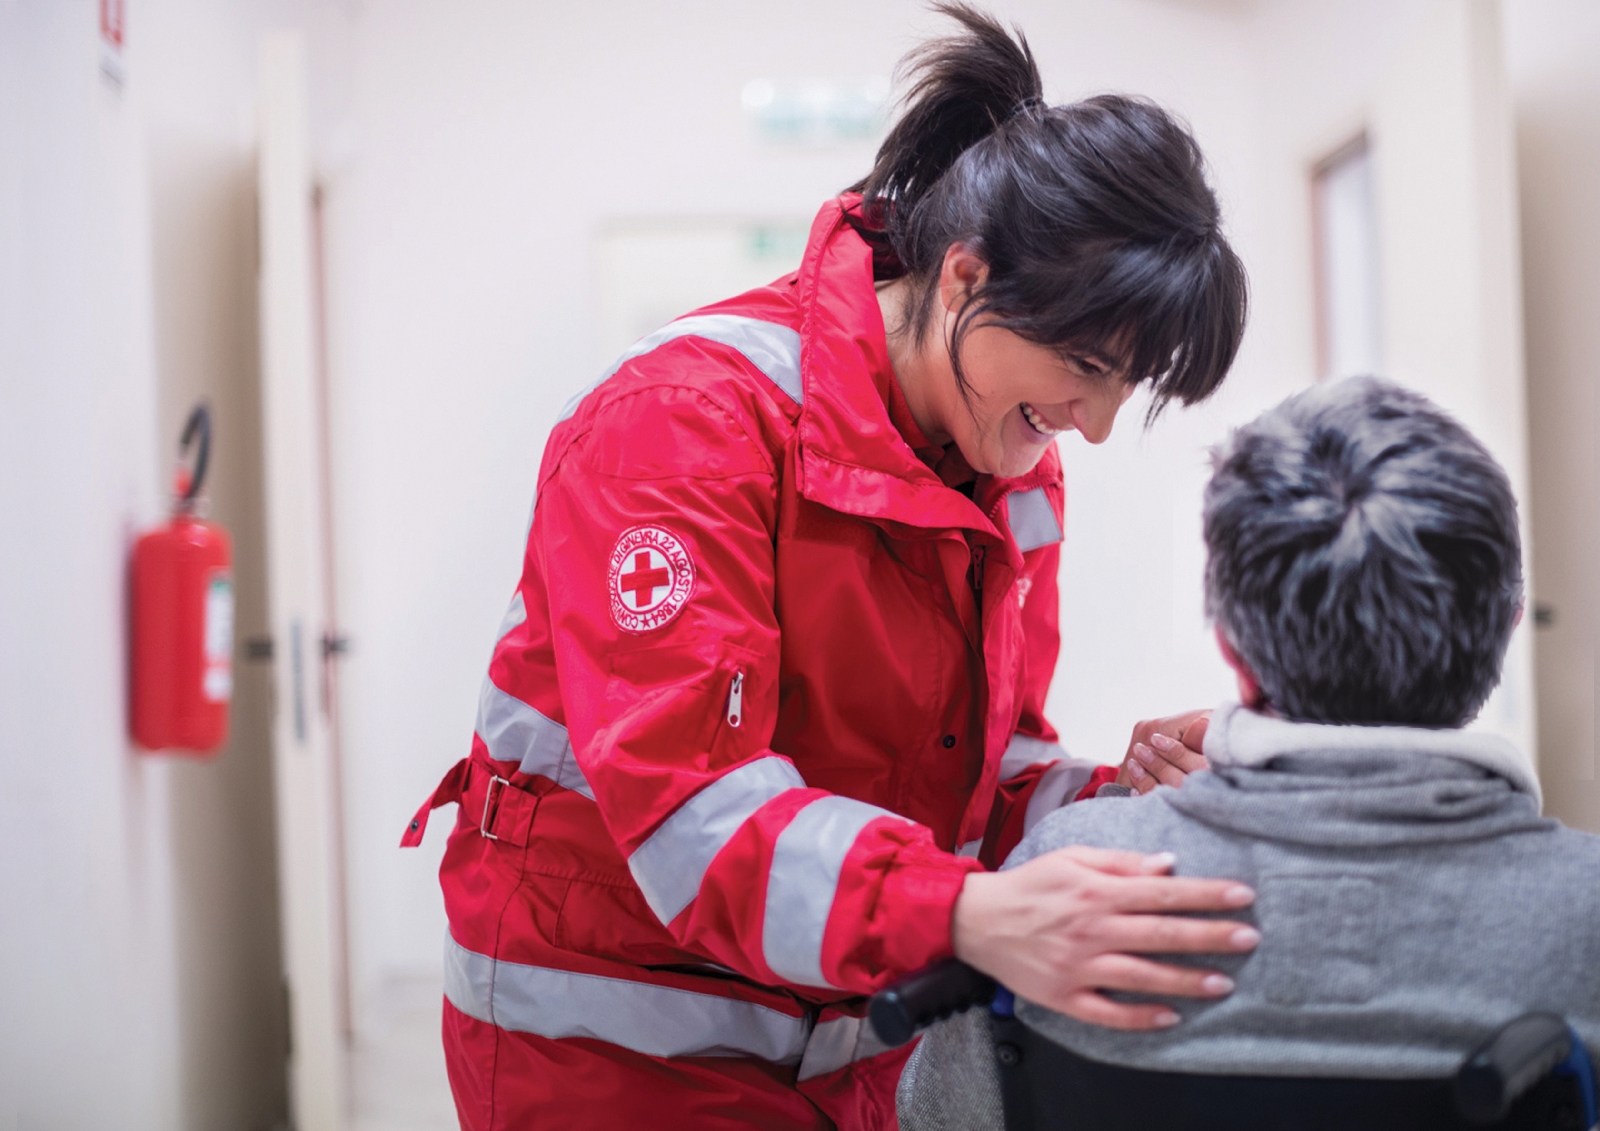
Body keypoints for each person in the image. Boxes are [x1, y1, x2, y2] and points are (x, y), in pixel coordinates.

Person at [400, 7, 1257, 1129]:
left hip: (843, 1039)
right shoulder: (685, 425)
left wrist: (1111, 792)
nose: (1091, 426)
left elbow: (972, 780)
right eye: (1082, 368)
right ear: (962, 278)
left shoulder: (1010, 466)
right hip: (615, 1053)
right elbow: (692, 813)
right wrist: (965, 919)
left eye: (1123, 389)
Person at [897, 375, 1600, 1131]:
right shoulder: (1582, 912)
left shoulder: (1062, 885)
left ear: (1230, 640)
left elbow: (936, 1114)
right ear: (1509, 623)